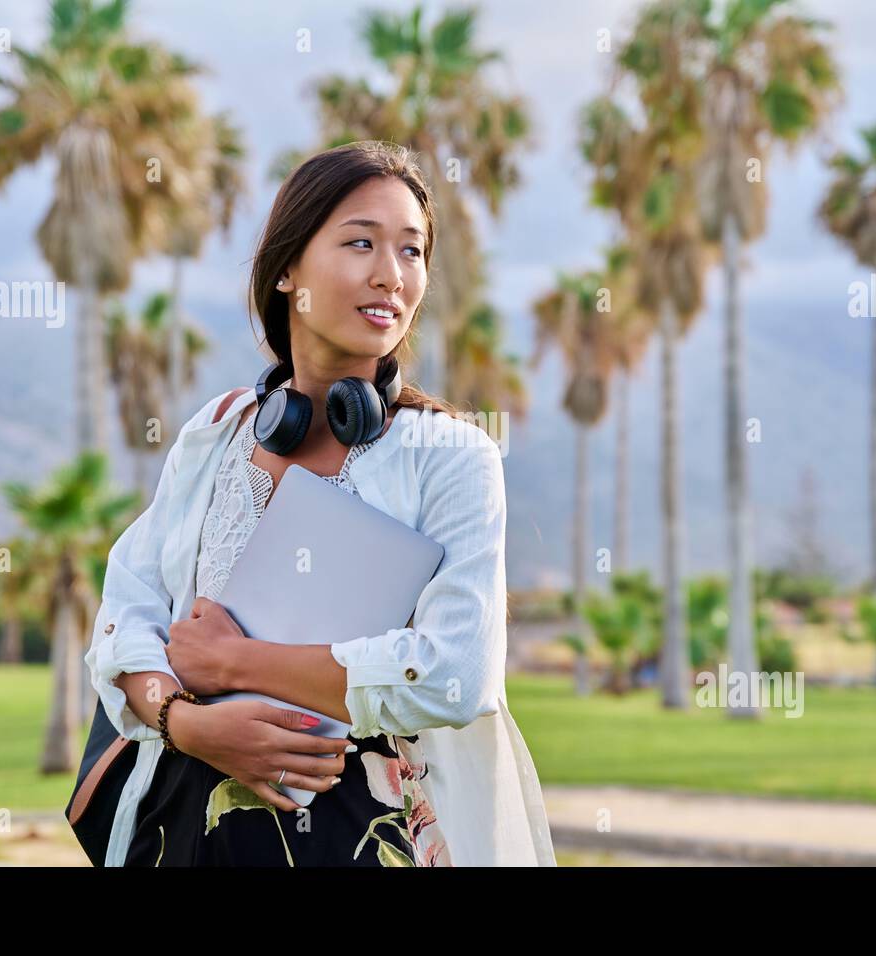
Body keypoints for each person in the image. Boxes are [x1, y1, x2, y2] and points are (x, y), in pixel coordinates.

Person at [86, 140, 556, 867]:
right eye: (361, 242)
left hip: (370, 836)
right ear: (287, 271)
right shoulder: (215, 434)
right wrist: (187, 723)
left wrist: (237, 662)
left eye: (412, 251)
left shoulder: (454, 458)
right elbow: (127, 616)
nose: (391, 275)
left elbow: (456, 676)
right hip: (202, 833)